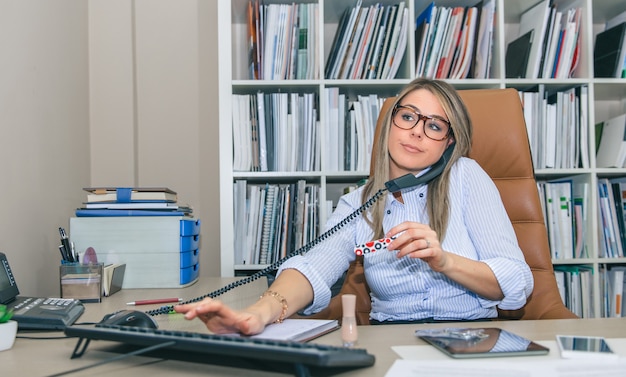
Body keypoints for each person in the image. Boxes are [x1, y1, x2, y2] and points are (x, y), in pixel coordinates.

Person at [175, 78, 533, 334]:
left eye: (435, 126)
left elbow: (516, 282)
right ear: (391, 123)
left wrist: (445, 260)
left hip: (473, 337)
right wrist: (258, 313)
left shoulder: (467, 177)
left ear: (448, 144)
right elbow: (312, 269)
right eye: (408, 116)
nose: (417, 131)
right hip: (393, 337)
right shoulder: (358, 203)